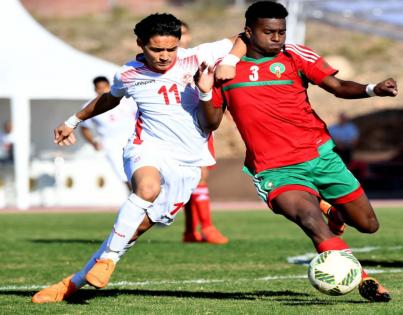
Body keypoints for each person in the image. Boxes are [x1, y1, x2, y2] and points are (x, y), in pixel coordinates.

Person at [31, 13, 245, 303]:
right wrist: (73, 120)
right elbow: (110, 98)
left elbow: (243, 37)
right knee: (146, 189)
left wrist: (230, 61)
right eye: (157, 49)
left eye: (171, 49)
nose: (165, 56)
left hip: (189, 161)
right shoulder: (128, 74)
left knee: (134, 230)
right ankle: (107, 260)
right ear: (141, 44)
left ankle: (75, 281)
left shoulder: (197, 57)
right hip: (148, 146)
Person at [199, 1, 398, 302]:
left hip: (321, 156)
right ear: (249, 32)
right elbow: (211, 122)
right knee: (308, 218)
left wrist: (373, 89)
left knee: (368, 225)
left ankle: (329, 209)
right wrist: (204, 90)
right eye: (269, 32)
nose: (277, 38)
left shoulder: (295, 55)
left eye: (281, 31)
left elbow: (337, 85)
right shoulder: (224, 70)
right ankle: (361, 278)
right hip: (274, 169)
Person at [178, 20, 229, 244]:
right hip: (184, 128)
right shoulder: (163, 64)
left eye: (184, 33)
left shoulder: (196, 59)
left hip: (200, 123)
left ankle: (190, 231)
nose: (181, 38)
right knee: (200, 177)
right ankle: (207, 227)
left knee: (195, 178)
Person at [80, 76, 137, 190]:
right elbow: (84, 127)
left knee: (140, 171)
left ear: (110, 86)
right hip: (112, 145)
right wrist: (93, 142)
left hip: (133, 140)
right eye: (99, 88)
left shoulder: (127, 100)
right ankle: (137, 199)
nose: (102, 90)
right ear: (95, 90)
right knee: (125, 177)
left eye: (105, 87)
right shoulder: (89, 106)